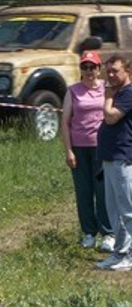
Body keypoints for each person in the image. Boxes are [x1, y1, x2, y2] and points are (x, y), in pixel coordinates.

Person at [61, 49, 114, 250]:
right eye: (85, 67)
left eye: (93, 67)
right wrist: (69, 151)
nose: (89, 70)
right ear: (81, 69)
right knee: (84, 191)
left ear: (99, 69)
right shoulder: (73, 91)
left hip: (102, 147)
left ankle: (108, 233)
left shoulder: (106, 88)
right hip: (80, 147)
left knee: (103, 191)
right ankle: (88, 233)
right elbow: (65, 122)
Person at [96, 54, 132, 270]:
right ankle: (119, 253)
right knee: (113, 210)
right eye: (108, 71)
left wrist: (108, 96)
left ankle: (129, 255)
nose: (110, 75)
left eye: (115, 71)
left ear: (127, 71)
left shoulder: (127, 93)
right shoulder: (118, 92)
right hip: (109, 156)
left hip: (122, 156)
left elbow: (110, 117)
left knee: (127, 209)